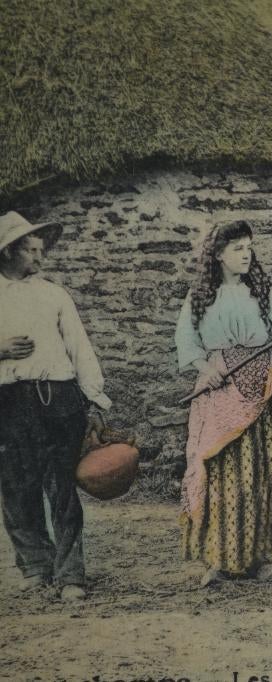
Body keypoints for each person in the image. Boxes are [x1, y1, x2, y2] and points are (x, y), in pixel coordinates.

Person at [175, 220, 272, 587]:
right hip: (219, 391)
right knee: (219, 472)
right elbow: (186, 339)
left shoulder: (263, 291)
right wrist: (205, 367)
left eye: (249, 247)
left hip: (261, 388)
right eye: (237, 248)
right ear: (218, 256)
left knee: (260, 470)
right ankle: (219, 557)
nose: (246, 254)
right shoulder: (201, 296)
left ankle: (259, 553)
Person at [0, 210, 112, 602]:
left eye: (40, 250)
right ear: (9, 252)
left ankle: (70, 574)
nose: (39, 258)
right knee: (16, 487)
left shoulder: (54, 294)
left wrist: (94, 397)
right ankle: (35, 566)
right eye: (31, 250)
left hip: (58, 400)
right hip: (9, 403)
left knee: (61, 487)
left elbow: (80, 348)